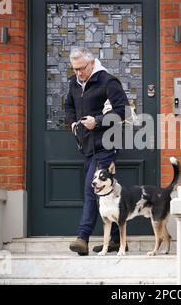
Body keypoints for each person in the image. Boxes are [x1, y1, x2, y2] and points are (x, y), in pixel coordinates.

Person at [65, 47, 129, 255]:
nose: (77, 73)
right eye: (74, 69)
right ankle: (115, 241)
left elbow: (122, 112)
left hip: (106, 144)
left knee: (92, 189)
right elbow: (69, 107)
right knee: (106, 193)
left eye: (81, 69)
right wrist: (73, 123)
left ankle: (82, 238)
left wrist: (98, 122)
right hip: (87, 146)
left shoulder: (108, 81)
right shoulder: (74, 83)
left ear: (92, 63)